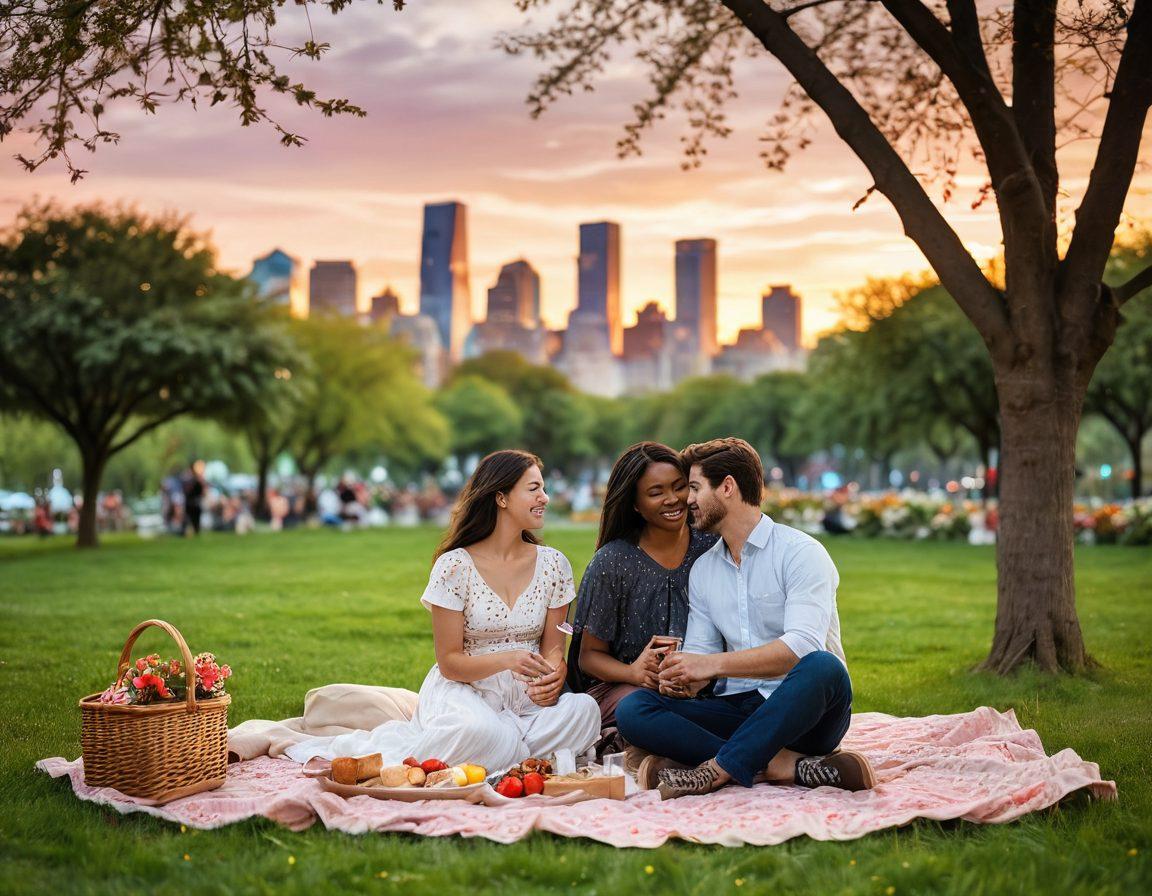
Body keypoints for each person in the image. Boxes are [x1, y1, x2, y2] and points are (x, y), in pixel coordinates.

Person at [286, 450, 600, 771]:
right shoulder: (455, 566)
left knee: (584, 710)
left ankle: (504, 751)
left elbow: (552, 648)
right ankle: (514, 752)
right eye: (534, 489)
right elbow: (449, 663)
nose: (545, 498)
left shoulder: (553, 565)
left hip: (528, 700)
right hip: (466, 693)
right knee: (477, 730)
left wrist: (554, 671)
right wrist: (509, 659)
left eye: (543, 488)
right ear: (501, 497)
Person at [615, 437, 875, 799]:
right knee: (634, 709)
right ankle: (783, 765)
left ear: (727, 487)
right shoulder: (704, 569)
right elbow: (703, 655)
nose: (687, 500)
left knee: (823, 666)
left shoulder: (801, 553)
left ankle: (716, 767)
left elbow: (799, 648)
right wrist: (682, 677)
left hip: (805, 712)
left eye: (694, 488)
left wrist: (710, 665)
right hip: (740, 709)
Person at [568, 442, 717, 739]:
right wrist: (634, 673)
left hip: (701, 683)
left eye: (679, 487)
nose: (673, 500)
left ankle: (668, 747)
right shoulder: (613, 561)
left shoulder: (710, 546)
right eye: (656, 492)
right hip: (626, 690)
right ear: (635, 504)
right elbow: (589, 657)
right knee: (642, 706)